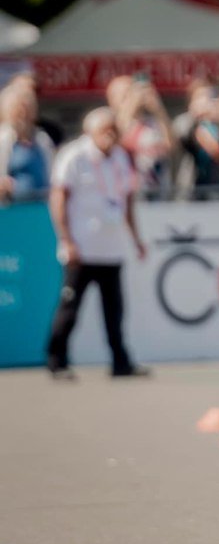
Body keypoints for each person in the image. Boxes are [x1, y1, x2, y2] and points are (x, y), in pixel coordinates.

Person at [45, 107, 149, 380]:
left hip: (111, 249)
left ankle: (120, 363)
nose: (110, 135)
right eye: (105, 129)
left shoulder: (120, 157)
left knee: (114, 313)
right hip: (81, 249)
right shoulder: (74, 156)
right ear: (89, 131)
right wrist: (66, 240)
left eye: (114, 129)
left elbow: (127, 203)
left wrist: (136, 239)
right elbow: (58, 200)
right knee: (70, 309)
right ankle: (57, 361)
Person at [0, 81, 55, 202]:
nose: (23, 115)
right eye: (18, 110)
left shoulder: (43, 138)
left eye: (26, 109)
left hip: (41, 203)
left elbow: (52, 171)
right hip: (11, 205)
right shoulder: (3, 139)